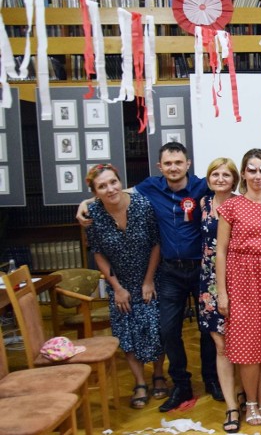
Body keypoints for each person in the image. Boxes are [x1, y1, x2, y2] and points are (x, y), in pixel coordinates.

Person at [78, 142, 220, 411]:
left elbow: (233, 188)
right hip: (169, 272)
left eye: (179, 162)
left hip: (202, 270)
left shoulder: (204, 186)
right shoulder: (149, 188)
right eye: (168, 164)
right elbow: (116, 192)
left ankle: (211, 380)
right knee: (167, 329)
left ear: (188, 164)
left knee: (206, 329)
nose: (174, 167)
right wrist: (85, 202)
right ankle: (181, 384)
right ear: (160, 167)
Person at [216, 149, 261, 429]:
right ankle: (250, 403)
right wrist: (223, 292)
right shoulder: (231, 207)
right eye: (252, 170)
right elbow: (220, 252)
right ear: (243, 174)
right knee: (246, 347)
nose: (257, 176)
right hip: (240, 279)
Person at [85, 164, 165, 409]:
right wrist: (117, 288)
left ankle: (159, 374)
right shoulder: (93, 214)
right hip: (120, 284)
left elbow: (156, 244)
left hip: (150, 277)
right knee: (126, 334)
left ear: (120, 181)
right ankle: (140, 382)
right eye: (102, 186)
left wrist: (148, 280)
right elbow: (97, 253)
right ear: (94, 192)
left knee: (156, 329)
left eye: (113, 182)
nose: (110, 189)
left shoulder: (142, 205)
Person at [198, 158, 243, 432]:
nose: (221, 178)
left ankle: (242, 392)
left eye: (226, 174)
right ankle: (231, 406)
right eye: (215, 173)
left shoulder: (241, 204)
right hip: (210, 282)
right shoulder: (202, 204)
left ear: (235, 179)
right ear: (208, 177)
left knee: (241, 342)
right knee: (221, 344)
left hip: (238, 279)